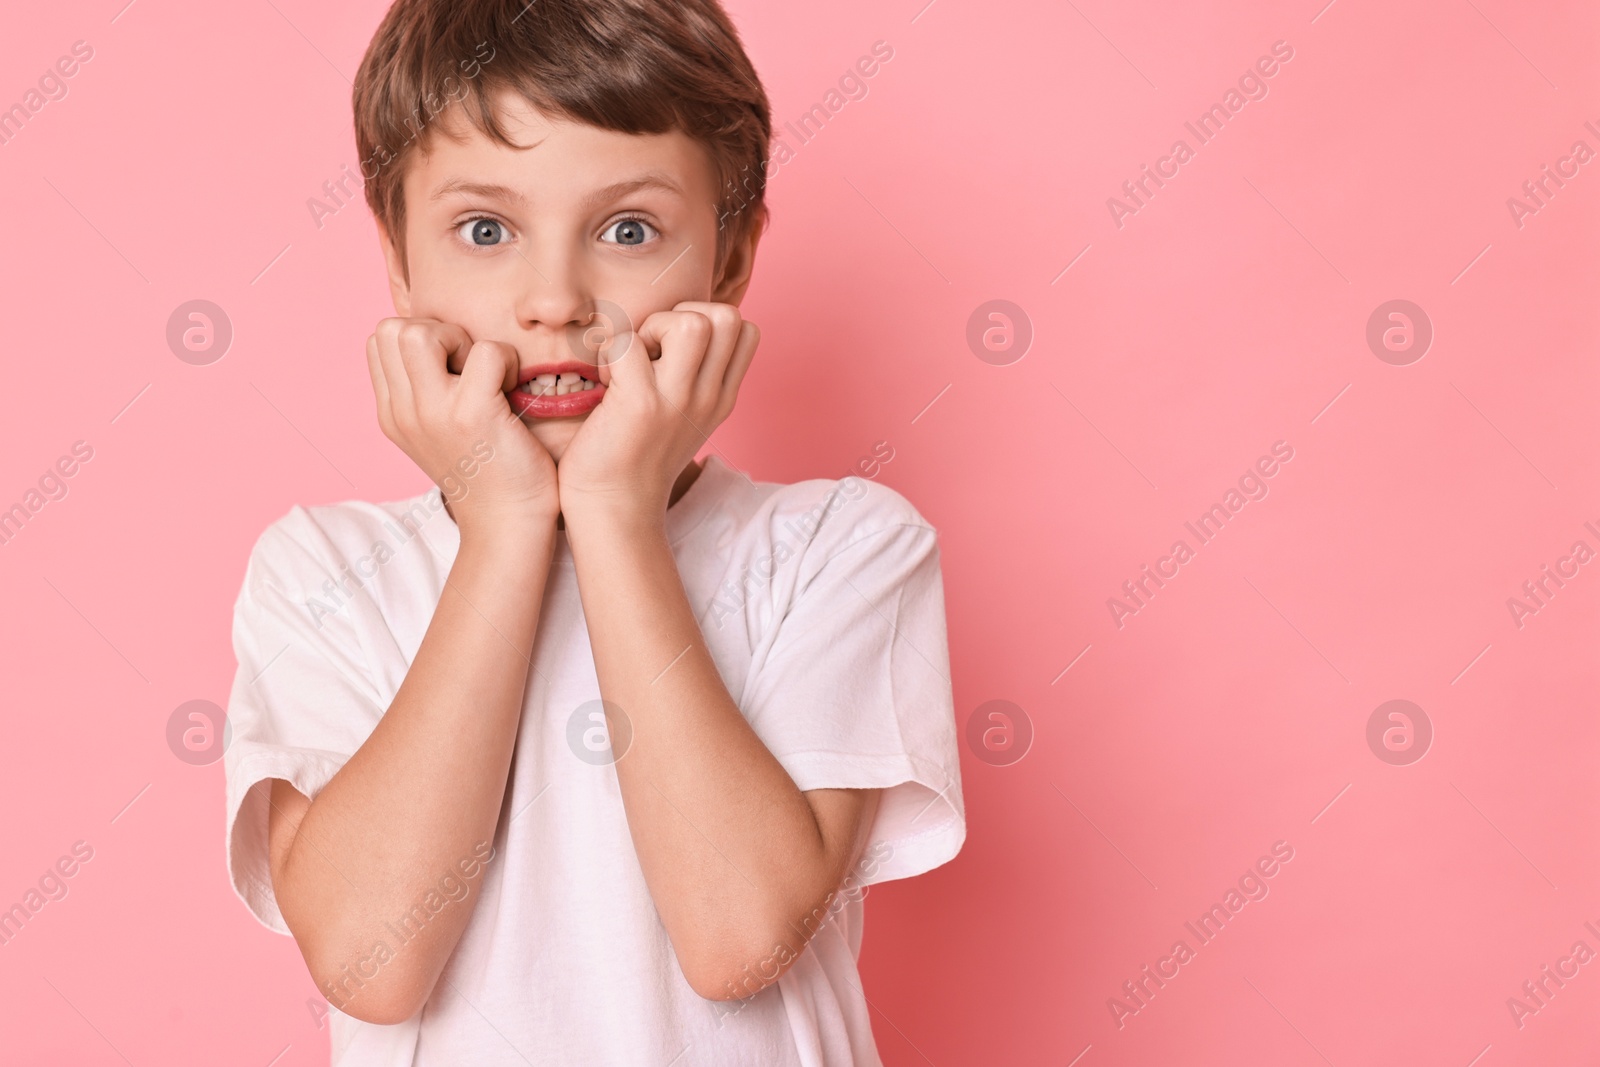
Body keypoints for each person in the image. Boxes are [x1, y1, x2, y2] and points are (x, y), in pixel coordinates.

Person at [221, 0, 964, 1062]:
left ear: (732, 256)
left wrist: (614, 514)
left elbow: (738, 939)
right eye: (486, 230)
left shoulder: (838, 548)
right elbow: (370, 963)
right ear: (399, 264)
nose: (556, 300)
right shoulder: (325, 570)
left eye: (628, 231)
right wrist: (505, 524)